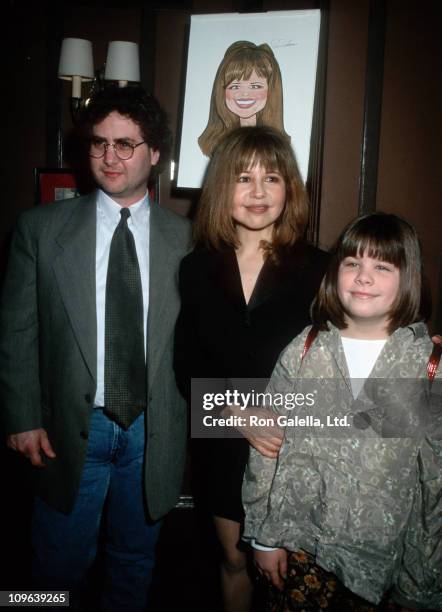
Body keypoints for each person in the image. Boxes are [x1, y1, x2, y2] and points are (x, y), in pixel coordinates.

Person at [0, 85, 190, 611]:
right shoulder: (39, 231)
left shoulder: (192, 240)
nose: (110, 157)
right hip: (66, 428)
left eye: (126, 144)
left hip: (153, 432)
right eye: (99, 143)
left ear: (155, 154)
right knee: (51, 567)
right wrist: (20, 417)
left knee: (135, 562)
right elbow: (16, 330)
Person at [243, 213, 441, 611]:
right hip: (301, 548)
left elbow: (434, 484)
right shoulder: (304, 350)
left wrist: (422, 582)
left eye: (382, 267)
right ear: (334, 274)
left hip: (383, 563)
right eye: (352, 263)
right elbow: (267, 447)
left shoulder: (427, 367)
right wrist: (265, 537)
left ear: (409, 278)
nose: (363, 277)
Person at [174, 125, 329, 612]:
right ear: (223, 187)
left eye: (273, 178)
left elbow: (367, 340)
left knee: (296, 579)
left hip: (295, 444)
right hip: (222, 441)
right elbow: (185, 365)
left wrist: (419, 346)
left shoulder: (325, 269)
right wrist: (235, 411)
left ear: (291, 189)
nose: (259, 192)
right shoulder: (196, 268)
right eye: (244, 178)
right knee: (234, 561)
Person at [198, 41, 290, 157]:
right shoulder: (217, 145)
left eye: (255, 86)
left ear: (270, 91)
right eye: (235, 86)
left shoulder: (276, 148)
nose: (245, 94)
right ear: (222, 91)